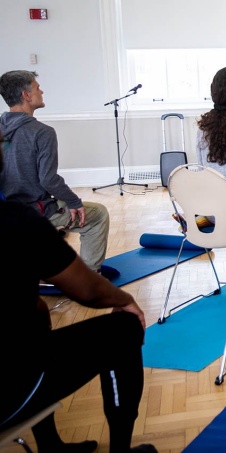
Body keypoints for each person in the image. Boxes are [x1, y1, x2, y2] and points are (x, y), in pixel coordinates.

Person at [0, 132, 156, 453]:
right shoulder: (15, 222)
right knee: (123, 329)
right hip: (9, 390)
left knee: (39, 315)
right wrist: (124, 299)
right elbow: (87, 291)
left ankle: (51, 445)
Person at [0, 70, 112, 276]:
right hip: (34, 212)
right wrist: (74, 201)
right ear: (26, 95)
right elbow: (48, 180)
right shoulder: (42, 132)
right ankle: (90, 276)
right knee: (97, 215)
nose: (41, 91)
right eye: (37, 87)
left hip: (6, 214)